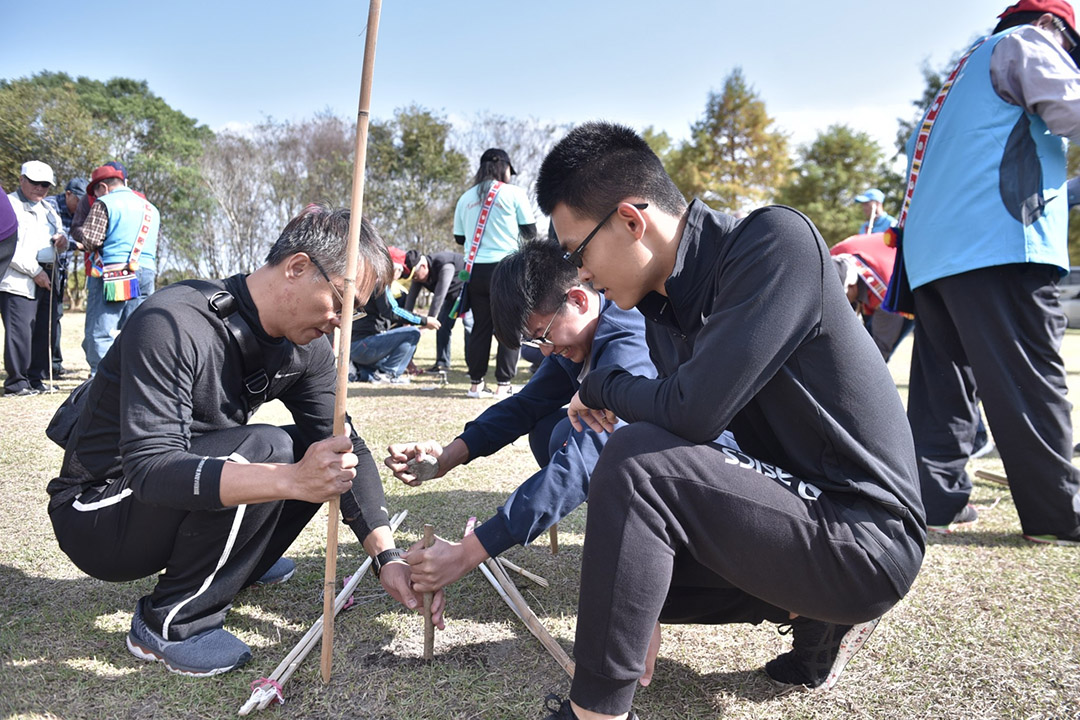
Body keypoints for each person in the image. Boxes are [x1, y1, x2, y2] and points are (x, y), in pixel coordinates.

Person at [532, 122, 925, 720]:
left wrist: (604, 386)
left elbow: (691, 411)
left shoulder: (774, 243)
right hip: (797, 515)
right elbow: (704, 445)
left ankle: (595, 713)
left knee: (635, 461)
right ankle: (816, 622)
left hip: (865, 537)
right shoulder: (667, 314)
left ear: (631, 221)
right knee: (622, 574)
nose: (579, 275)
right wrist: (634, 600)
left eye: (576, 252)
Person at [47, 204, 444, 677]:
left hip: (173, 493)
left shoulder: (308, 350)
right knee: (272, 451)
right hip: (100, 513)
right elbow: (151, 468)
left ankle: (237, 564)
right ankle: (171, 623)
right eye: (340, 302)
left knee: (313, 452)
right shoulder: (173, 321)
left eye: (354, 314)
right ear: (297, 267)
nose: (342, 323)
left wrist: (388, 558)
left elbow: (346, 449)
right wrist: (291, 480)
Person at [896, 0, 1080, 544]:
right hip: (1001, 244)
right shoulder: (1028, 44)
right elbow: (1070, 109)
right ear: (1052, 25)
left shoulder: (960, 76)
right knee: (1029, 378)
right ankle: (1059, 516)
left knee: (942, 389)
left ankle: (934, 502)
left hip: (933, 255)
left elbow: (973, 163)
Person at [385, 240, 656, 589]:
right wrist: (447, 457)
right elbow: (524, 406)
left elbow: (585, 460)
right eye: (536, 341)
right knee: (549, 430)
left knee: (586, 447)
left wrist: (468, 552)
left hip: (694, 470)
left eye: (543, 334)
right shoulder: (576, 336)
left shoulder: (626, 343)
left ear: (577, 300)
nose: (545, 349)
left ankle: (652, 550)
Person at [453, 148, 537, 399]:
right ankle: (503, 385)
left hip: (475, 271)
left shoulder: (465, 197)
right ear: (503, 166)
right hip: (506, 267)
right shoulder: (514, 194)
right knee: (509, 326)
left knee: (480, 326)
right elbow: (530, 232)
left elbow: (459, 237)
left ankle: (475, 385)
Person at [79, 164, 160, 375]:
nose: (95, 196)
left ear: (103, 187)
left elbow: (90, 240)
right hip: (145, 272)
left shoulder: (104, 203)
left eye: (95, 191)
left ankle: (100, 377)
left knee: (101, 330)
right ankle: (132, 376)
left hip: (114, 275)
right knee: (136, 328)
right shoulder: (151, 208)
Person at [1, 161, 68, 396]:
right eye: (35, 183)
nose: (40, 188)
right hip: (19, 278)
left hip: (48, 275)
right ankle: (16, 383)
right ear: (21, 179)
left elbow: (61, 239)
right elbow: (7, 248)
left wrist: (63, 242)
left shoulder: (48, 208)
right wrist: (34, 272)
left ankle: (36, 378)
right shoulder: (8, 205)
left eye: (46, 185)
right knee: (20, 332)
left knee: (43, 330)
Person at [350, 255, 440, 384]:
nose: (399, 276)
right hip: (366, 344)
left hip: (353, 347)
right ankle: (389, 374)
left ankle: (361, 372)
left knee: (388, 355)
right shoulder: (380, 282)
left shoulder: (362, 280)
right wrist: (425, 320)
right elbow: (392, 311)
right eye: (401, 272)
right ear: (394, 269)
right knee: (413, 333)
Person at [829, 234, 913, 360]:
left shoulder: (886, 296)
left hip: (910, 285)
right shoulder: (831, 258)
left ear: (851, 285)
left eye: (841, 299)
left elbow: (880, 348)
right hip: (874, 277)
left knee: (873, 352)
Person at [44, 177, 88, 377]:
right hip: (42, 268)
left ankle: (54, 364)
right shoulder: (49, 206)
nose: (81, 205)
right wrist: (75, 244)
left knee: (56, 315)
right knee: (40, 317)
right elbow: (52, 239)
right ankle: (38, 364)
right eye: (78, 200)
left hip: (61, 271)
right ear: (68, 194)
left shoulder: (83, 212)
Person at [401, 249, 467, 373]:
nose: (415, 279)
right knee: (442, 326)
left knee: (471, 326)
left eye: (415, 275)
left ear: (424, 266)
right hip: (451, 296)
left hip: (468, 290)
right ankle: (442, 364)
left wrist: (428, 320)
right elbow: (411, 297)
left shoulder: (444, 264)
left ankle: (474, 368)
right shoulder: (419, 276)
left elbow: (439, 295)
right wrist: (406, 320)